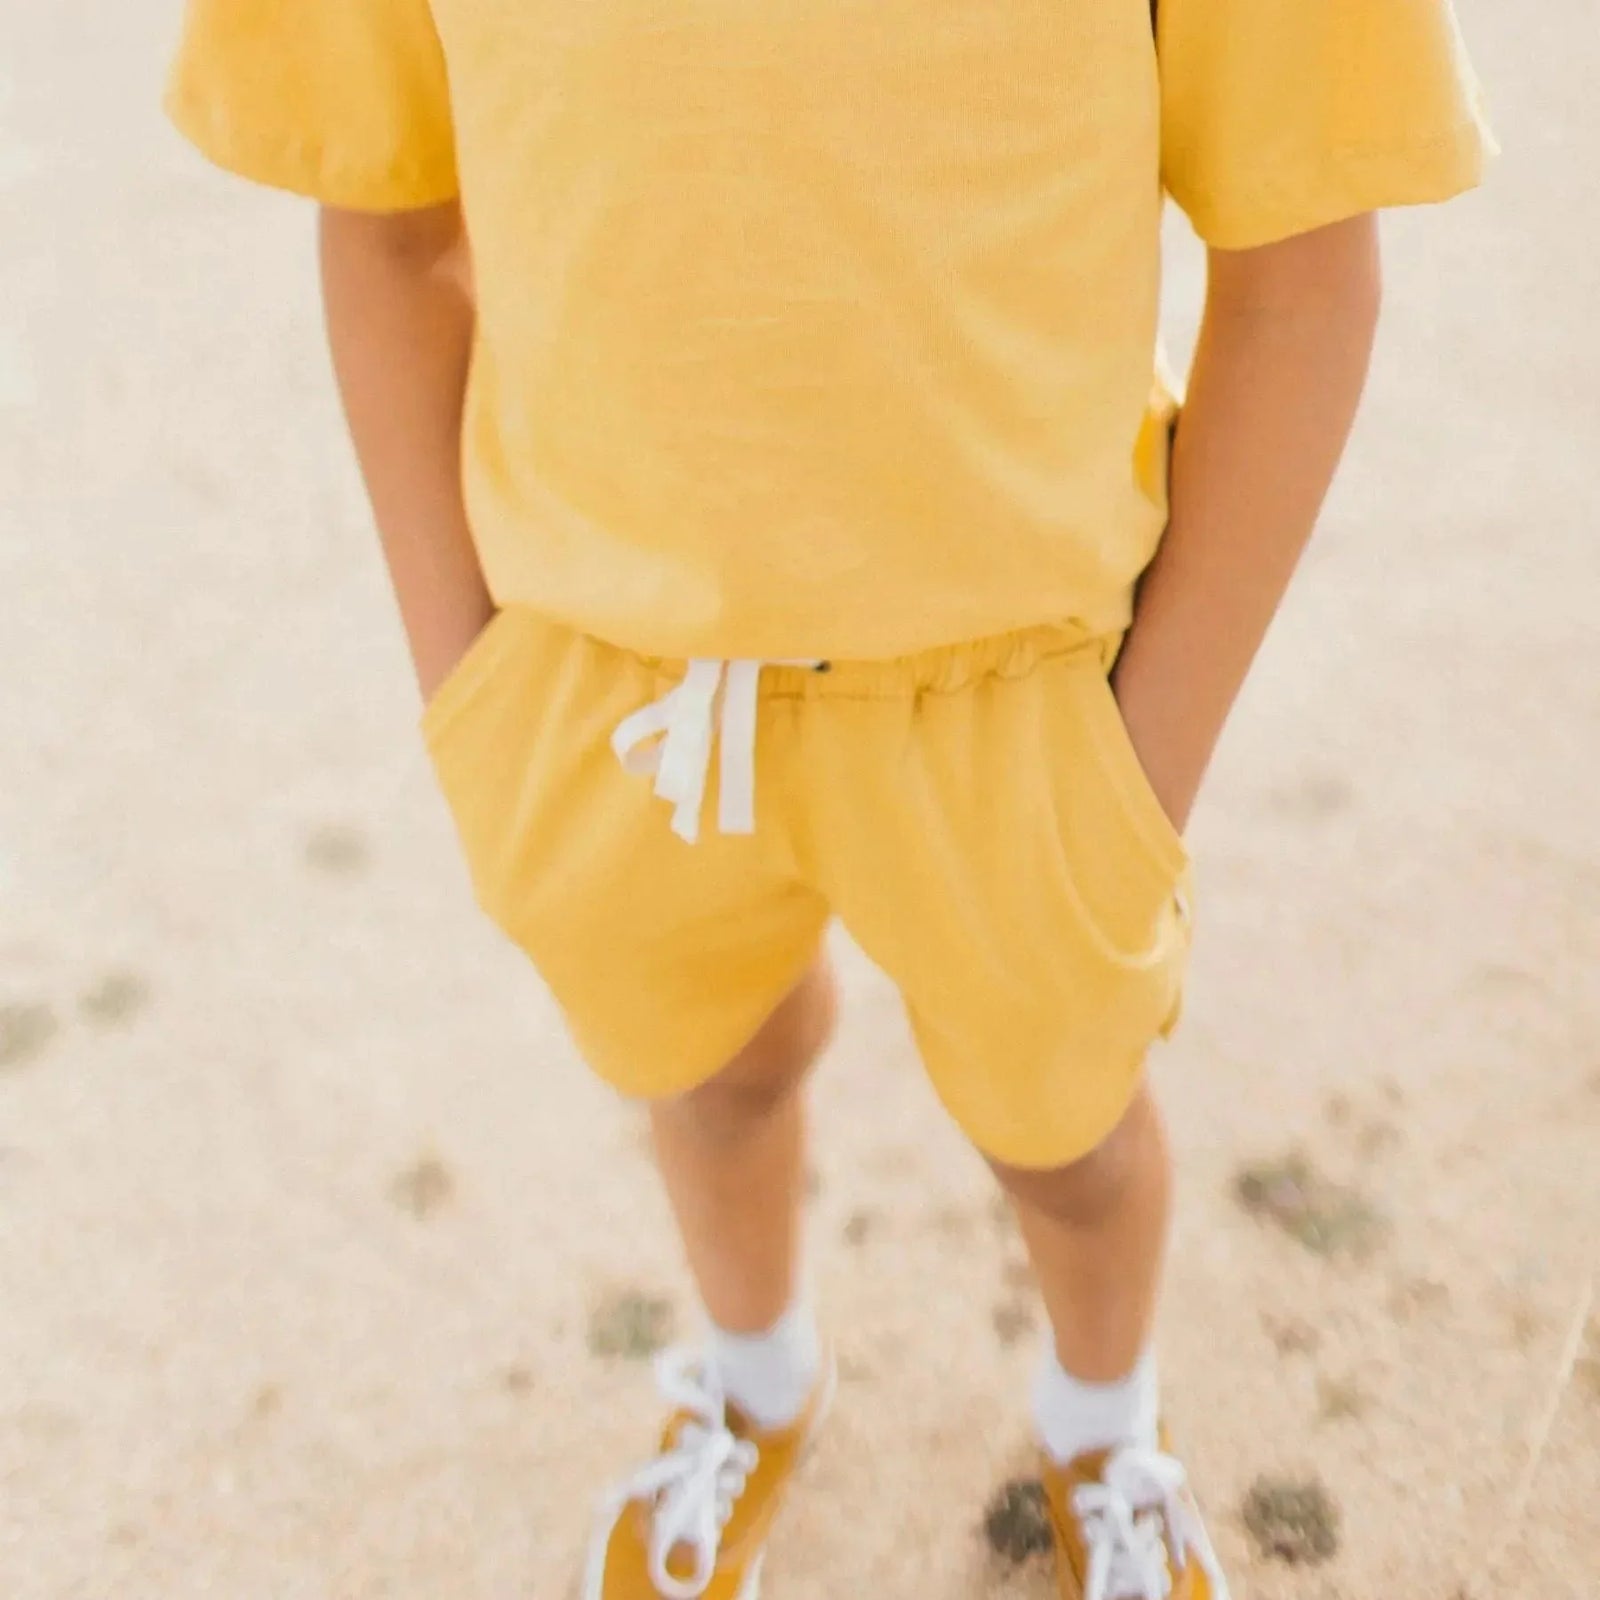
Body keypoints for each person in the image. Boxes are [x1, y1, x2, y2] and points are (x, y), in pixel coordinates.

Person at [165, 3, 1491, 1595]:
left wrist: (1145, 767)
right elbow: (384, 217)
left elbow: (1303, 268)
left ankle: (1100, 1424)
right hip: (610, 685)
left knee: (1066, 1138)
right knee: (714, 1073)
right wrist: (471, 687)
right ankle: (755, 1380)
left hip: (1020, 698)